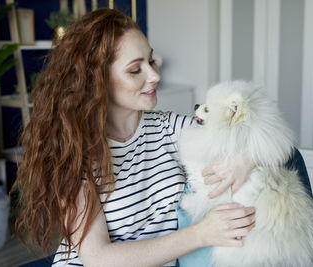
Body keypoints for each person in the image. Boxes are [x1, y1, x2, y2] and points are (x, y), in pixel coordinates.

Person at [13, 8, 260, 267]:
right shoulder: (75, 154)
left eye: (151, 62)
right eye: (135, 70)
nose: (155, 76)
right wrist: (201, 234)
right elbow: (98, 259)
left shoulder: (168, 128)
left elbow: (264, 136)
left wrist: (245, 159)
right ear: (97, 80)